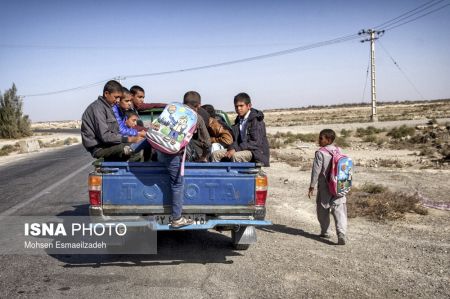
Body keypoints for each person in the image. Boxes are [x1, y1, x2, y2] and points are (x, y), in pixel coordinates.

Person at [81, 80, 143, 161]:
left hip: (107, 144)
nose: (117, 100)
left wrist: (133, 136)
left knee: (141, 142)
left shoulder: (108, 107)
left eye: (119, 98)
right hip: (99, 148)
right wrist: (129, 139)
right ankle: (126, 173)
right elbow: (105, 136)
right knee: (135, 148)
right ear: (106, 94)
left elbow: (115, 131)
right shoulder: (98, 109)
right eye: (116, 97)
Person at [308, 129, 348, 245]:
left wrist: (311, 186)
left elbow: (316, 171)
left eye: (321, 138)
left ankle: (325, 231)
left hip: (325, 187)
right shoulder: (338, 150)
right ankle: (341, 233)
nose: (319, 140)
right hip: (339, 186)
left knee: (322, 210)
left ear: (328, 140)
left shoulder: (320, 153)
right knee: (339, 210)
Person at [212, 92, 269, 166]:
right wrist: (232, 147)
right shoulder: (238, 120)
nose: (238, 108)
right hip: (241, 148)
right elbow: (236, 140)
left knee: (236, 156)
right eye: (236, 106)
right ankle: (217, 176)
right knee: (216, 154)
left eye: (241, 106)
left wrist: (235, 149)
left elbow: (255, 143)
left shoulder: (256, 121)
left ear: (249, 106)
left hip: (255, 152)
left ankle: (236, 177)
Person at [182, 91, 211, 162]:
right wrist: (203, 157)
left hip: (165, 155)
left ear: (183, 103)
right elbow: (207, 144)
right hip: (187, 159)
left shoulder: (173, 112)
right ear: (199, 105)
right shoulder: (197, 118)